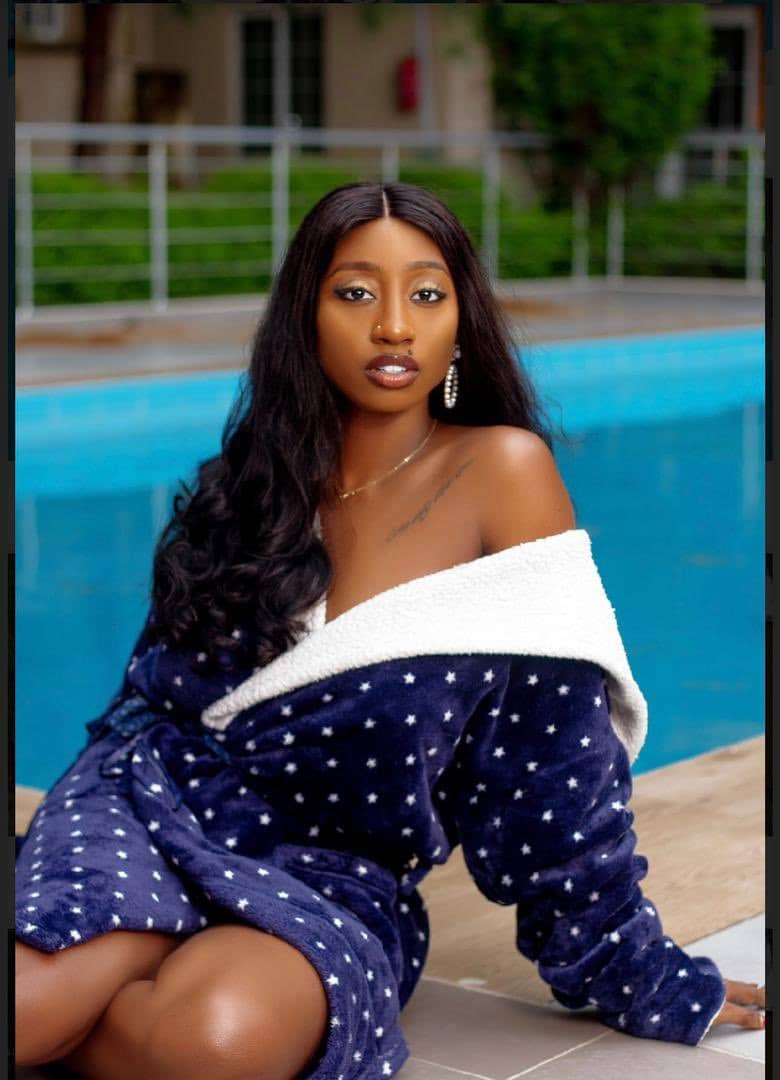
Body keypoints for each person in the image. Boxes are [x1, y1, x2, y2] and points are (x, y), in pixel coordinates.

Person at [15, 182, 764, 1079]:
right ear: (307, 316)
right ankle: (93, 970)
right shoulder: (255, 482)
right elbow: (152, 699)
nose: (395, 327)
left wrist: (633, 969)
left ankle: (108, 987)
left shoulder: (503, 472)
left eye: (427, 294)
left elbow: (552, 769)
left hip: (325, 872)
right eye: (357, 292)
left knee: (209, 1041)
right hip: (146, 807)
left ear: (461, 320)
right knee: (27, 1009)